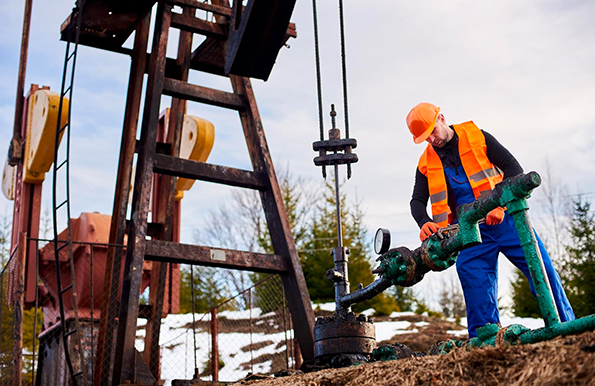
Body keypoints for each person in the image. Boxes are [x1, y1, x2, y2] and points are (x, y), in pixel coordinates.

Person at [406, 102, 574, 338]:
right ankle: (484, 344)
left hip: (508, 222)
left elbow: (513, 168)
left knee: (542, 271)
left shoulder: (478, 137)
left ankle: (568, 330)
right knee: (475, 287)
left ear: (441, 118)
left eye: (432, 131)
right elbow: (416, 200)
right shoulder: (425, 163)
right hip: (469, 234)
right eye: (425, 138)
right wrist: (423, 221)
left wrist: (500, 204)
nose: (432, 140)